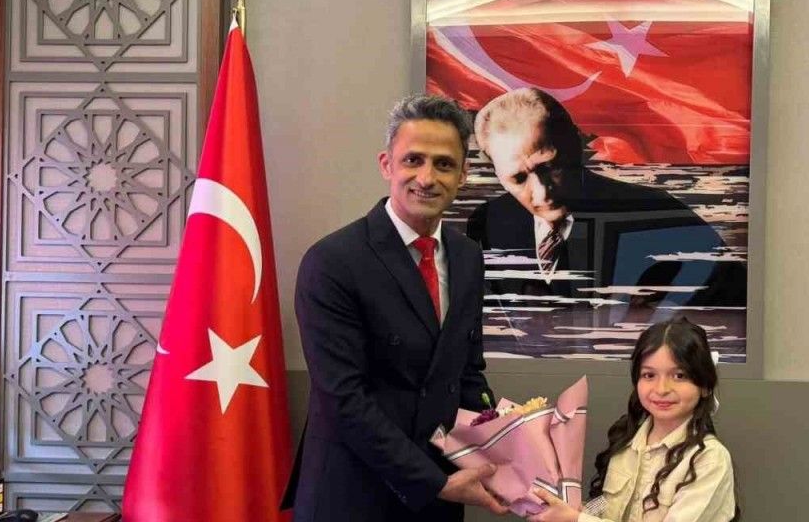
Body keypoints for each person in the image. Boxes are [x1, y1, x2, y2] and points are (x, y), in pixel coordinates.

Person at [283, 94, 508, 522]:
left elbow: (466, 372)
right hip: (353, 495)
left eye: (444, 164)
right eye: (413, 160)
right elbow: (343, 398)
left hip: (439, 497)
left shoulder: (467, 258)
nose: (427, 178)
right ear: (387, 165)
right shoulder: (332, 262)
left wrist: (503, 444)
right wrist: (432, 482)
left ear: (463, 174)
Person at [466, 87, 743, 306]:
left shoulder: (660, 216)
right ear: (497, 173)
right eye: (518, 178)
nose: (541, 192)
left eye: (550, 166)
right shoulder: (488, 223)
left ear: (576, 145)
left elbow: (734, 310)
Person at [527, 318, 737, 522]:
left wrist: (578, 519)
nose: (661, 389)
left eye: (679, 376)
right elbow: (605, 504)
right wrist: (573, 509)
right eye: (649, 375)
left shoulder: (709, 460)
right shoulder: (626, 441)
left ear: (705, 386)